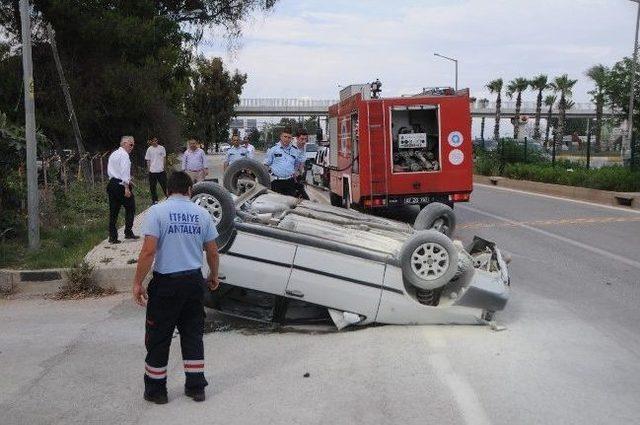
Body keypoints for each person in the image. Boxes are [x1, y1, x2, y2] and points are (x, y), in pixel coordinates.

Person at [132, 171, 220, 405]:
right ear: (190, 190)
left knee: (159, 336)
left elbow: (149, 251)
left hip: (167, 284)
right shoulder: (202, 214)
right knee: (192, 334)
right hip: (193, 282)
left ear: (167, 190)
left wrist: (137, 282)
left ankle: (156, 391)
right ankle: (196, 387)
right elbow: (212, 250)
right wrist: (213, 275)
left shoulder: (157, 212)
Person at [106, 136, 139, 244]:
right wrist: (126, 187)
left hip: (112, 183)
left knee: (113, 211)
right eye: (131, 144)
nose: (132, 147)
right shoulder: (124, 155)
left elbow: (113, 171)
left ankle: (112, 237)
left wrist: (129, 180)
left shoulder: (114, 154)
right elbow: (124, 172)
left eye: (133, 145)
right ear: (124, 143)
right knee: (131, 207)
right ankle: (128, 232)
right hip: (121, 185)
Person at [263, 128, 302, 196]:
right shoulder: (273, 149)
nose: (287, 139)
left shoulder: (295, 150)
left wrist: (295, 173)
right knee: (276, 204)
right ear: (281, 137)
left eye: (289, 137)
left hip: (290, 182)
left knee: (290, 204)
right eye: (285, 137)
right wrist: (270, 173)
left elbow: (297, 165)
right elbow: (266, 164)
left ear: (291, 139)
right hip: (276, 182)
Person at [144, 137, 167, 204]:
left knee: (164, 185)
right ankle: (155, 200)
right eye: (153, 141)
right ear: (151, 142)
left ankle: (169, 197)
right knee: (152, 187)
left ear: (157, 141)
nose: (154, 142)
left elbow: (164, 158)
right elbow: (148, 160)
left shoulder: (162, 148)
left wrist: (163, 167)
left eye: (156, 140)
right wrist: (149, 169)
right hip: (152, 171)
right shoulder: (149, 149)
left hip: (161, 171)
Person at [293, 129, 310, 200]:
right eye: (302, 139)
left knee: (305, 198)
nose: (304, 141)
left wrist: (301, 174)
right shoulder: (291, 147)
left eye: (305, 139)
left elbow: (302, 162)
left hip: (296, 175)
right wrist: (295, 173)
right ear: (297, 138)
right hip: (288, 176)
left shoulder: (304, 146)